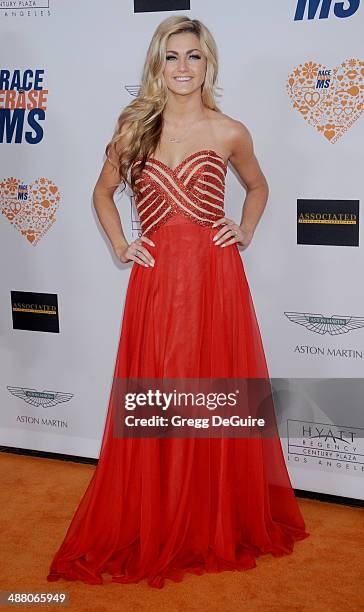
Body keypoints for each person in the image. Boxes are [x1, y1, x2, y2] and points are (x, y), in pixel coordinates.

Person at [47, 15, 309, 589]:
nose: (183, 68)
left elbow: (259, 186)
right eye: (172, 57)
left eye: (193, 56)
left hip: (217, 282)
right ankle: (162, 514)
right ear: (156, 65)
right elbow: (101, 190)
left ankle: (208, 519)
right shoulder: (134, 128)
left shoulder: (229, 130)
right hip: (158, 283)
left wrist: (245, 227)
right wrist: (122, 243)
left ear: (207, 63)